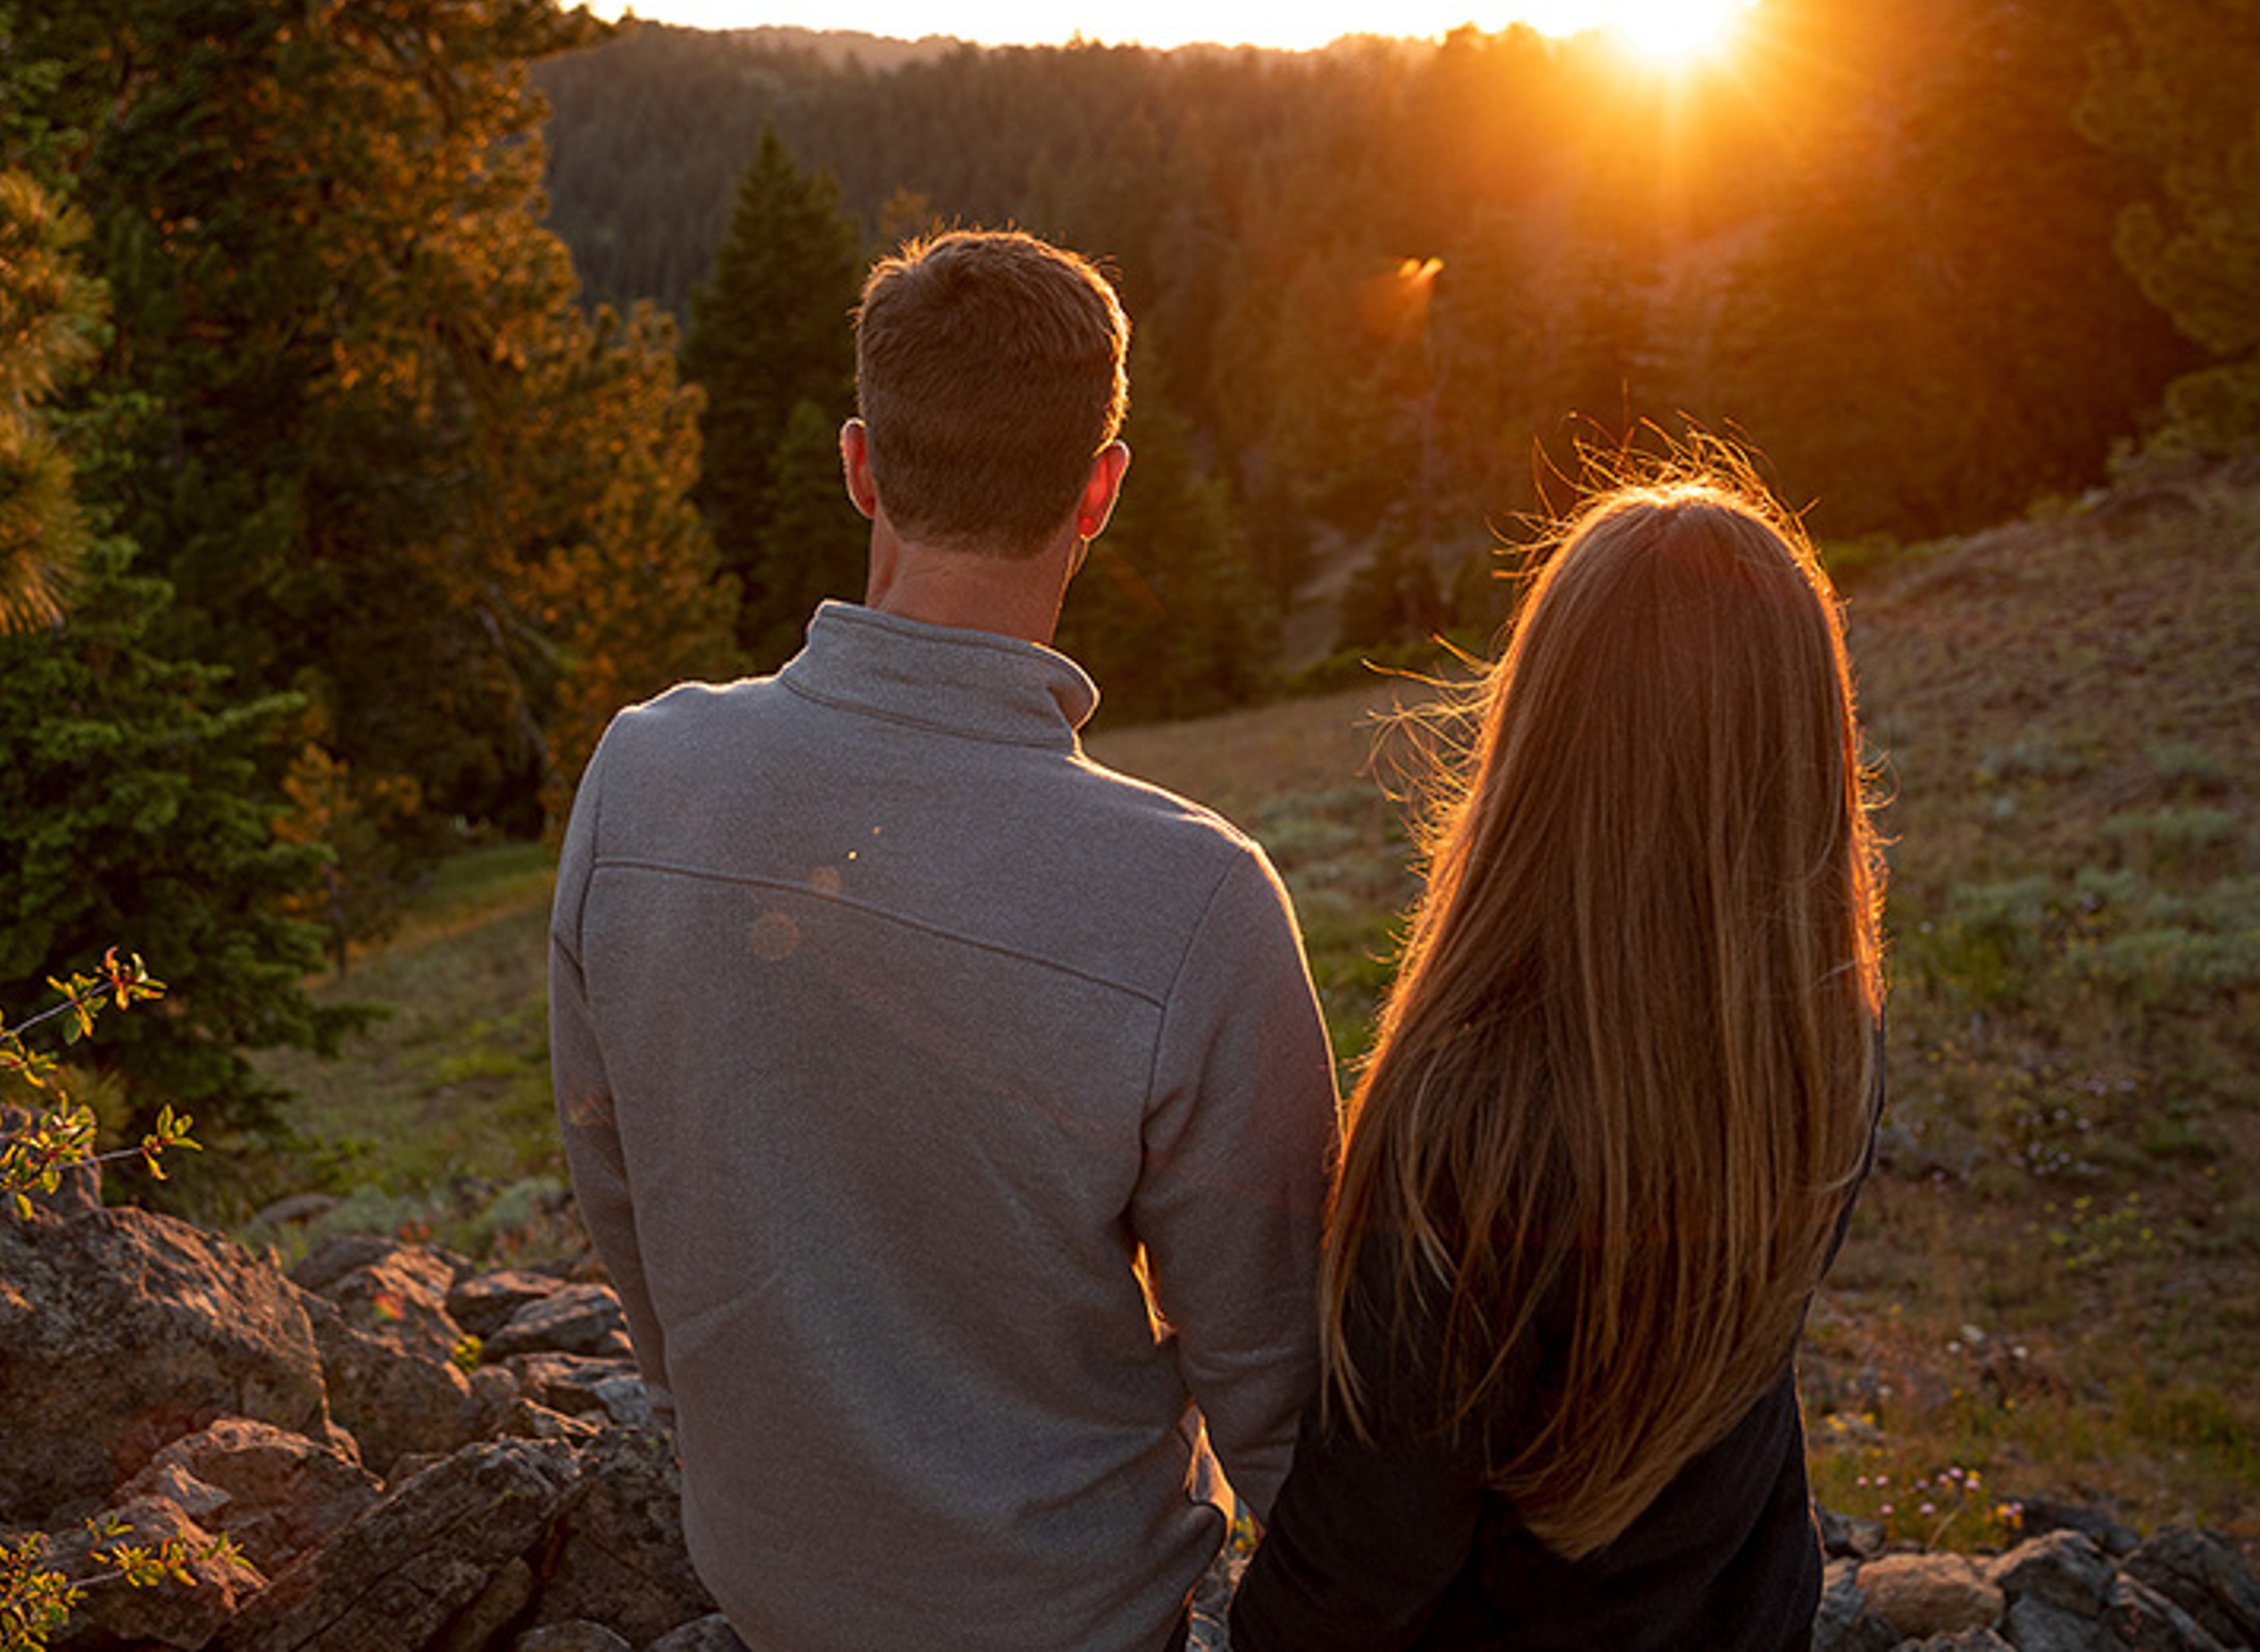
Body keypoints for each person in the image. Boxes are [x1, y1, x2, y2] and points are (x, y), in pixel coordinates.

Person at [548, 229, 1341, 1652]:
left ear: (863, 466)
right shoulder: (1199, 900)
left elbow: (622, 1192)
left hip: (764, 1586)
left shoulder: (643, 775)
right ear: (1099, 491)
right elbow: (1273, 1388)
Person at [1230, 473, 1886, 1652]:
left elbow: (1365, 1557)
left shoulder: (1477, 1122)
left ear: (1541, 733)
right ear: (1804, 756)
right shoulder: (1822, 1049)